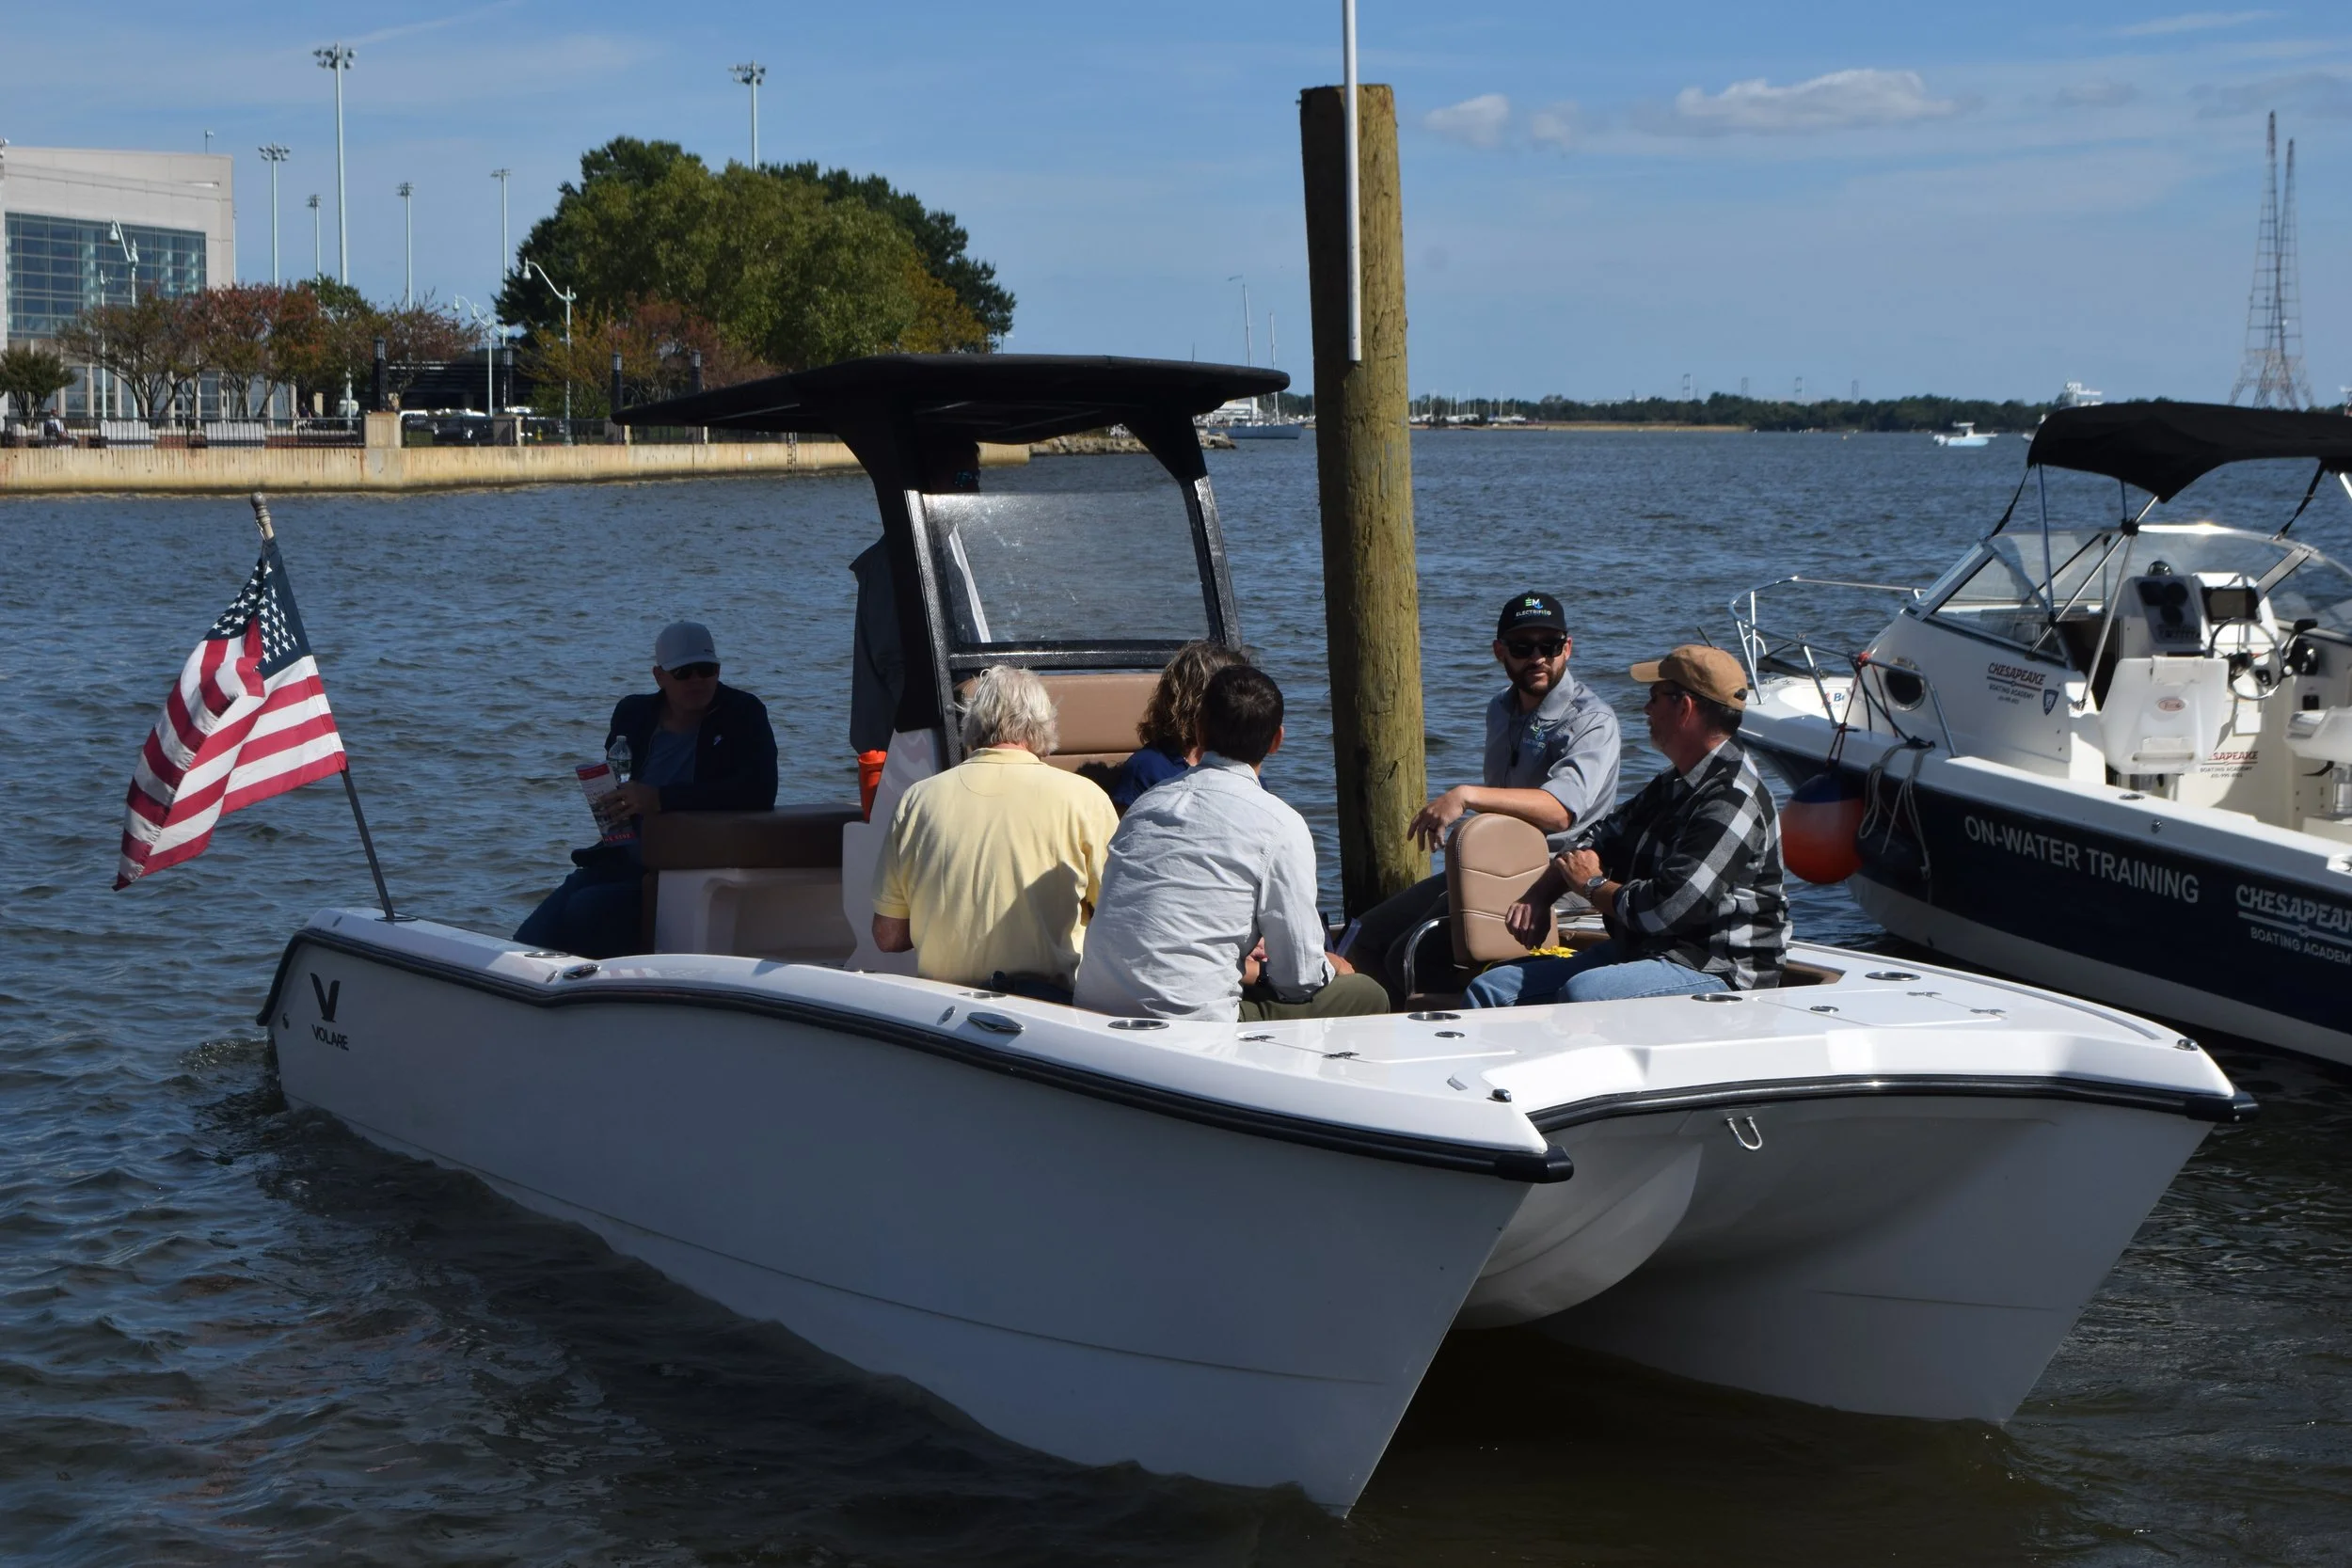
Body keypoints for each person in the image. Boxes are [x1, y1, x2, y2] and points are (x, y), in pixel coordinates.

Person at [1464, 644, 1789, 1007]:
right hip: (1647, 950)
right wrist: (1541, 894)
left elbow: (1669, 909)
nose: (1646, 709)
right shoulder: (1675, 782)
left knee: (1584, 993)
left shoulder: (1732, 800)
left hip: (1718, 968)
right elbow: (1601, 836)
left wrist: (1592, 886)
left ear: (1684, 708)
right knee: (1492, 988)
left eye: (1655, 697)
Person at [1350, 591, 1622, 1002]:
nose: (1537, 657)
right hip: (1492, 863)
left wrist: (1465, 796)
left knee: (1409, 952)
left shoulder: (1592, 720)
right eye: (1521, 647)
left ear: (1567, 648)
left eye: (1548, 646)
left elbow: (1560, 811)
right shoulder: (1500, 707)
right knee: (1363, 934)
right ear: (1500, 652)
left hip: (1556, 873)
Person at [1077, 665, 1389, 1022]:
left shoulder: (1145, 805)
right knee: (1366, 994)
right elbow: (1299, 981)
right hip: (1188, 1025)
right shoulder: (1281, 824)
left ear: (1199, 730)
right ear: (1277, 741)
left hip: (1095, 1009)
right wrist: (1330, 969)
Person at [515, 621, 778, 958]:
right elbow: (617, 784)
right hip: (623, 856)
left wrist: (660, 799)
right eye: (684, 672)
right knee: (527, 942)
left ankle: (601, 996)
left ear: (719, 670)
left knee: (588, 909)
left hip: (690, 864)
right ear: (660, 677)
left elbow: (759, 791)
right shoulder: (633, 714)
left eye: (707, 669)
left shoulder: (743, 713)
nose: (697, 680)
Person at [871, 665, 1120, 1000]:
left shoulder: (918, 799)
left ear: (971, 723)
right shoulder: (1084, 798)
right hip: (1048, 1006)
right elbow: (1120, 918)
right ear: (1043, 726)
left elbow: (888, 936)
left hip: (940, 1007)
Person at [1104, 639, 1250, 811]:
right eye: (1237, 696)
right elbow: (1127, 833)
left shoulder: (1241, 766)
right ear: (1199, 700)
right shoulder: (1148, 768)